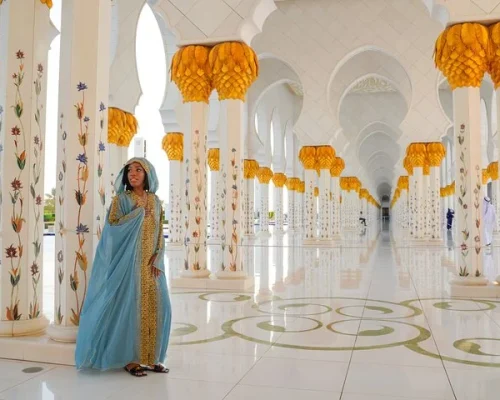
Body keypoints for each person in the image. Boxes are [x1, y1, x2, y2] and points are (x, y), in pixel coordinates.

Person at [75, 158, 171, 377]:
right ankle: (130, 359)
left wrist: (159, 256)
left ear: (148, 175)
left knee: (159, 306)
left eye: (138, 170)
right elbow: (112, 227)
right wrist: (136, 212)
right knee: (130, 309)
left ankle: (153, 358)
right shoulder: (122, 199)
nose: (133, 174)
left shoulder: (155, 201)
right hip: (129, 263)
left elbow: (159, 232)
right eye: (129, 170)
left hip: (152, 265)